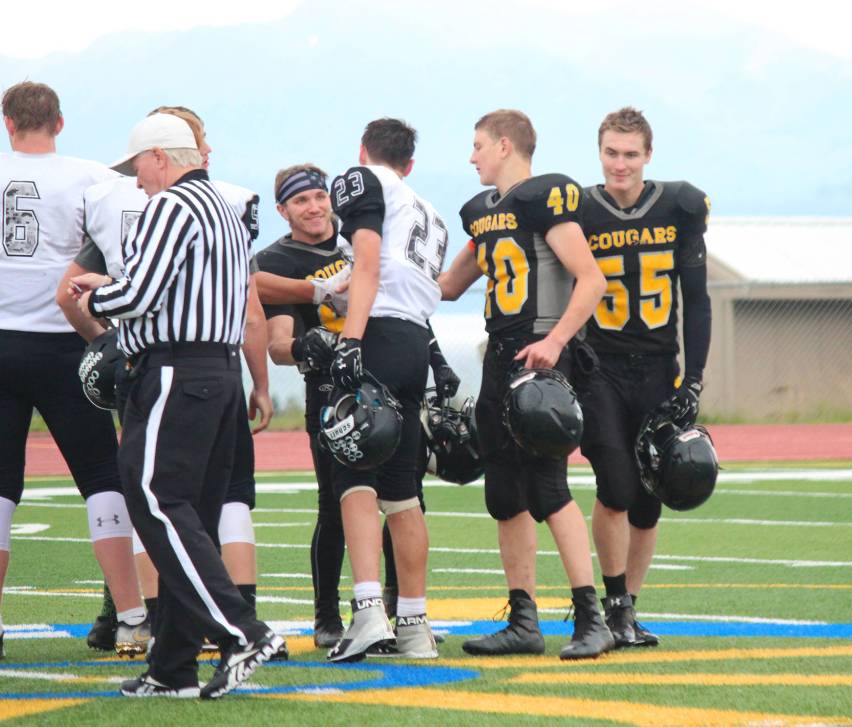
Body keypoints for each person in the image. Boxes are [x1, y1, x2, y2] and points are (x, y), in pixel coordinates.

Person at [71, 113, 283, 698]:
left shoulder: (172, 206)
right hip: (219, 373)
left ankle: (243, 631)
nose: (137, 181)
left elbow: (139, 293)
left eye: (139, 166)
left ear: (161, 157)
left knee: (156, 500)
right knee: (194, 512)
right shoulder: (227, 206)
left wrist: (97, 291)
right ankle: (174, 667)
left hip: (173, 371)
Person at [438, 109, 614, 660]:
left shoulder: (546, 196)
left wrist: (557, 342)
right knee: (504, 495)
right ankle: (523, 620)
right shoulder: (483, 213)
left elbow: (592, 279)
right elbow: (447, 286)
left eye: (478, 145)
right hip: (499, 356)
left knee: (549, 487)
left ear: (506, 145)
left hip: (540, 355)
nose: (472, 157)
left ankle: (592, 617)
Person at [0, 81, 144, 661]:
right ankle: (131, 617)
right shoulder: (92, 179)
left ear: (6, 121)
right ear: (59, 122)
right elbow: (124, 253)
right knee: (102, 472)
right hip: (66, 340)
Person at [578, 107, 711, 647]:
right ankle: (611, 603)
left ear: (648, 155)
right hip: (600, 367)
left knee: (652, 496)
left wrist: (694, 380)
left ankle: (628, 610)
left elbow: (696, 302)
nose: (620, 164)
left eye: (631, 153)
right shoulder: (581, 209)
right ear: (600, 151)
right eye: (611, 152)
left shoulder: (679, 206)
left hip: (658, 367)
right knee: (615, 487)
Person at [324, 118, 446, 662]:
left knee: (353, 475)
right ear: (411, 164)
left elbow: (370, 261)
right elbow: (404, 278)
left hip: (375, 334)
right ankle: (415, 625)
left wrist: (350, 339)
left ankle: (370, 611)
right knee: (402, 488)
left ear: (363, 151)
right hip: (414, 343)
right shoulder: (430, 213)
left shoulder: (362, 180)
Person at [254, 162, 350, 650]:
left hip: (384, 382)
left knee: (402, 501)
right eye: (300, 200)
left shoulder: (359, 234)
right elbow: (277, 345)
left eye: (318, 196)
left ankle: (403, 610)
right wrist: (307, 347)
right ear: (283, 210)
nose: (313, 207)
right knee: (333, 507)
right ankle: (327, 616)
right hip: (331, 394)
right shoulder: (277, 260)